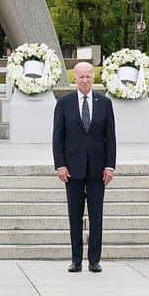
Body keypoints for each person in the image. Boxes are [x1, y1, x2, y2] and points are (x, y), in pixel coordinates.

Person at [52, 62, 116, 273]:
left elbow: (110, 138)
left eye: (88, 76)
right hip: (73, 169)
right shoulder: (64, 103)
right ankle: (76, 259)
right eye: (81, 77)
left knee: (96, 216)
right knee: (75, 216)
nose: (85, 80)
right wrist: (60, 165)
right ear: (75, 79)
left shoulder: (105, 103)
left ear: (94, 78)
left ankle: (94, 260)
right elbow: (57, 137)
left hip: (98, 170)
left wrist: (110, 165)